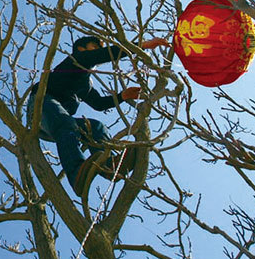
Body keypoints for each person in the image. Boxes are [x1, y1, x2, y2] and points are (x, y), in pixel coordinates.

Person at [27, 35, 170, 195]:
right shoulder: (76, 59)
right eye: (95, 47)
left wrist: (123, 96)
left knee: (95, 126)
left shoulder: (85, 84)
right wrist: (141, 46)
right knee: (66, 122)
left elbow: (99, 103)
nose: (99, 51)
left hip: (60, 124)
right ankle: (76, 174)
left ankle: (109, 165)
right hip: (40, 109)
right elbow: (102, 55)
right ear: (81, 48)